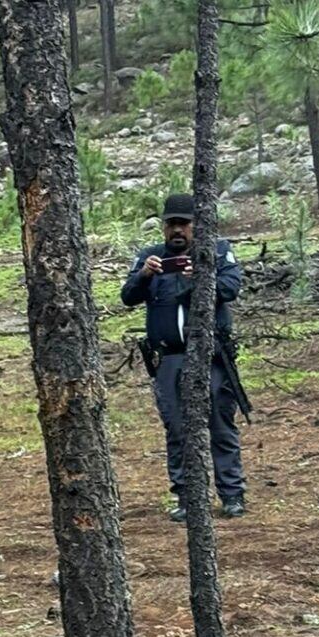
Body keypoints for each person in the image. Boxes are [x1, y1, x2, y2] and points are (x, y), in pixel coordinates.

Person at [122, 192, 246, 524]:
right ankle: (186, 496)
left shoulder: (217, 251)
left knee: (220, 424)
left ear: (197, 225)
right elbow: (128, 297)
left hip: (211, 355)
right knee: (176, 428)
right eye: (171, 224)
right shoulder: (150, 257)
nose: (178, 231)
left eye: (184, 224)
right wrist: (144, 275)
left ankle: (232, 494)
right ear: (163, 227)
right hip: (169, 357)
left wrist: (200, 277)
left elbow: (231, 287)